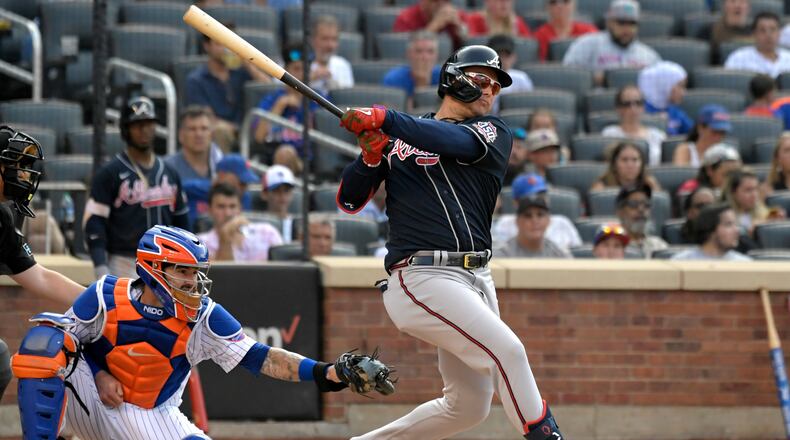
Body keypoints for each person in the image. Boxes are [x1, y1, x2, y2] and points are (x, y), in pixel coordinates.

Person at [336, 45, 564, 439]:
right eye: (481, 80)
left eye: (496, 85)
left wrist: (387, 119)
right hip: (422, 274)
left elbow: (453, 141)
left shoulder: (492, 132)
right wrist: (371, 159)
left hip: (477, 278)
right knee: (509, 352)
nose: (490, 90)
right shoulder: (400, 137)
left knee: (467, 407)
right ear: (451, 78)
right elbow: (350, 201)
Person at [10, 225, 387, 439]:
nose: (193, 282)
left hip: (151, 415)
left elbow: (263, 358)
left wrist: (326, 372)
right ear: (154, 267)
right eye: (183, 271)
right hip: (92, 399)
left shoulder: (206, 316)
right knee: (44, 339)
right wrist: (100, 372)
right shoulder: (105, 294)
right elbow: (68, 340)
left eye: (196, 272)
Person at [0, 126, 85, 400]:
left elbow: (39, 277)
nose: (24, 174)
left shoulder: (3, 219)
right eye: (17, 165)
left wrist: (102, 299)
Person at [84, 96, 189, 279]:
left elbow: (182, 221)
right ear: (126, 129)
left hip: (166, 261)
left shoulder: (170, 173)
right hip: (124, 261)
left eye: (149, 123)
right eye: (137, 125)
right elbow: (95, 223)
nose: (144, 130)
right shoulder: (110, 173)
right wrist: (100, 266)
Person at [185, 24, 269, 151]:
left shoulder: (242, 72)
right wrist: (235, 128)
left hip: (246, 131)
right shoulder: (196, 80)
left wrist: (248, 65)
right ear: (207, 46)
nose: (226, 48)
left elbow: (268, 89)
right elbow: (207, 119)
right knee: (220, 130)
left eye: (229, 43)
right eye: (220, 43)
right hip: (218, 133)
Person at [562, 0, 660, 86]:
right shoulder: (587, 44)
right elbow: (569, 75)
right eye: (621, 22)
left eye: (631, 23)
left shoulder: (649, 56)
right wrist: (591, 78)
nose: (626, 28)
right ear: (609, 22)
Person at [254, 44, 325, 158]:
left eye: (305, 69)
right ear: (286, 71)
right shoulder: (273, 98)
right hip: (275, 159)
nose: (301, 74)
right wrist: (279, 105)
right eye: (296, 69)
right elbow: (259, 137)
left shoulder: (320, 99)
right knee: (285, 154)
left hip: (308, 161)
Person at [165, 106, 224, 230]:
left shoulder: (222, 165)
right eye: (192, 129)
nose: (199, 134)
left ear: (211, 135)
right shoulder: (167, 168)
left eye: (204, 129)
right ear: (181, 135)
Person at [492, 172, 582, 251]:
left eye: (541, 196)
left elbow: (577, 258)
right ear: (516, 202)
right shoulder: (504, 224)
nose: (536, 201)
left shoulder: (562, 223)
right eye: (529, 198)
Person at [198, 182, 283, 262]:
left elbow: (282, 269)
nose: (228, 213)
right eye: (221, 207)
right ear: (209, 210)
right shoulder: (201, 244)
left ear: (240, 209)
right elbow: (222, 275)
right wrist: (225, 238)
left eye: (232, 206)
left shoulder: (267, 232)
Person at [601, 85, 667, 165]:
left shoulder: (658, 136)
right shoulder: (609, 134)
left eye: (638, 103)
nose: (633, 108)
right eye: (627, 104)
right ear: (618, 108)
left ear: (643, 107)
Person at [495, 196, 573, 258]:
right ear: (517, 221)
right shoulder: (502, 255)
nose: (535, 220)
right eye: (528, 215)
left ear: (548, 221)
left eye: (540, 215)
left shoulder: (559, 254)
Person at [671, 203, 752, 260]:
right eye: (728, 224)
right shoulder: (682, 262)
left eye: (736, 224)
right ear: (711, 230)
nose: (737, 230)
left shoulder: (745, 264)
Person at [382, 31, 442, 109]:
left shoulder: (444, 77)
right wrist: (421, 83)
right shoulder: (392, 79)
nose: (425, 57)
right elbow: (390, 114)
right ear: (409, 54)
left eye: (430, 52)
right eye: (419, 51)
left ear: (437, 55)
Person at [724, 12, 790, 78]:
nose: (768, 35)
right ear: (754, 34)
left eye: (772, 30)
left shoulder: (788, 57)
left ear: (779, 33)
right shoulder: (738, 58)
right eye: (762, 30)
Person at [638, 61, 693, 136]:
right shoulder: (641, 110)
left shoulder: (675, 111)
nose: (684, 92)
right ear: (664, 84)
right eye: (680, 86)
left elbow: (694, 133)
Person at [721, 167, 781, 235]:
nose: (754, 195)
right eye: (748, 190)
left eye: (756, 189)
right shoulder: (723, 219)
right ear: (733, 192)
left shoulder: (761, 212)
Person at [615, 184, 668, 258]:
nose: (641, 209)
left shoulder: (659, 246)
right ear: (620, 212)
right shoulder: (613, 246)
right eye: (634, 204)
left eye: (646, 204)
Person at [393, 0, 468, 50]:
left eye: (446, 0)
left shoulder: (458, 16)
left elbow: (470, 43)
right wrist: (434, 26)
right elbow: (402, 51)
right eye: (435, 0)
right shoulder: (406, 18)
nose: (441, 4)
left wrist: (459, 28)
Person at [487, 34, 533, 114]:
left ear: (514, 57)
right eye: (499, 55)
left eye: (507, 56)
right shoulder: (482, 78)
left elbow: (528, 107)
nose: (503, 60)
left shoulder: (522, 78)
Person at [590, 141, 661, 192]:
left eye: (635, 160)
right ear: (614, 164)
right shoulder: (601, 187)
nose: (630, 165)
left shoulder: (650, 184)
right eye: (624, 160)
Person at [677, 143, 742, 198]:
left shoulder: (742, 190)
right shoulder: (691, 188)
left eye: (736, 174)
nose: (732, 179)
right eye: (726, 175)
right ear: (709, 170)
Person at [310, 15, 354, 94]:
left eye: (334, 39)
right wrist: (309, 78)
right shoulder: (300, 65)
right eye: (325, 39)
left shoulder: (343, 65)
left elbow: (347, 97)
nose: (330, 45)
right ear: (313, 40)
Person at [253, 164, 298, 242]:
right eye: (276, 191)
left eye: (286, 191)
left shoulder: (299, 225)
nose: (283, 196)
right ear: (264, 194)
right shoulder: (256, 225)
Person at [464, 0, 531, 38]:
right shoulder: (475, 19)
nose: (505, 4)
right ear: (488, 2)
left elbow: (527, 46)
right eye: (500, 0)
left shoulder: (517, 22)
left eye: (508, 1)